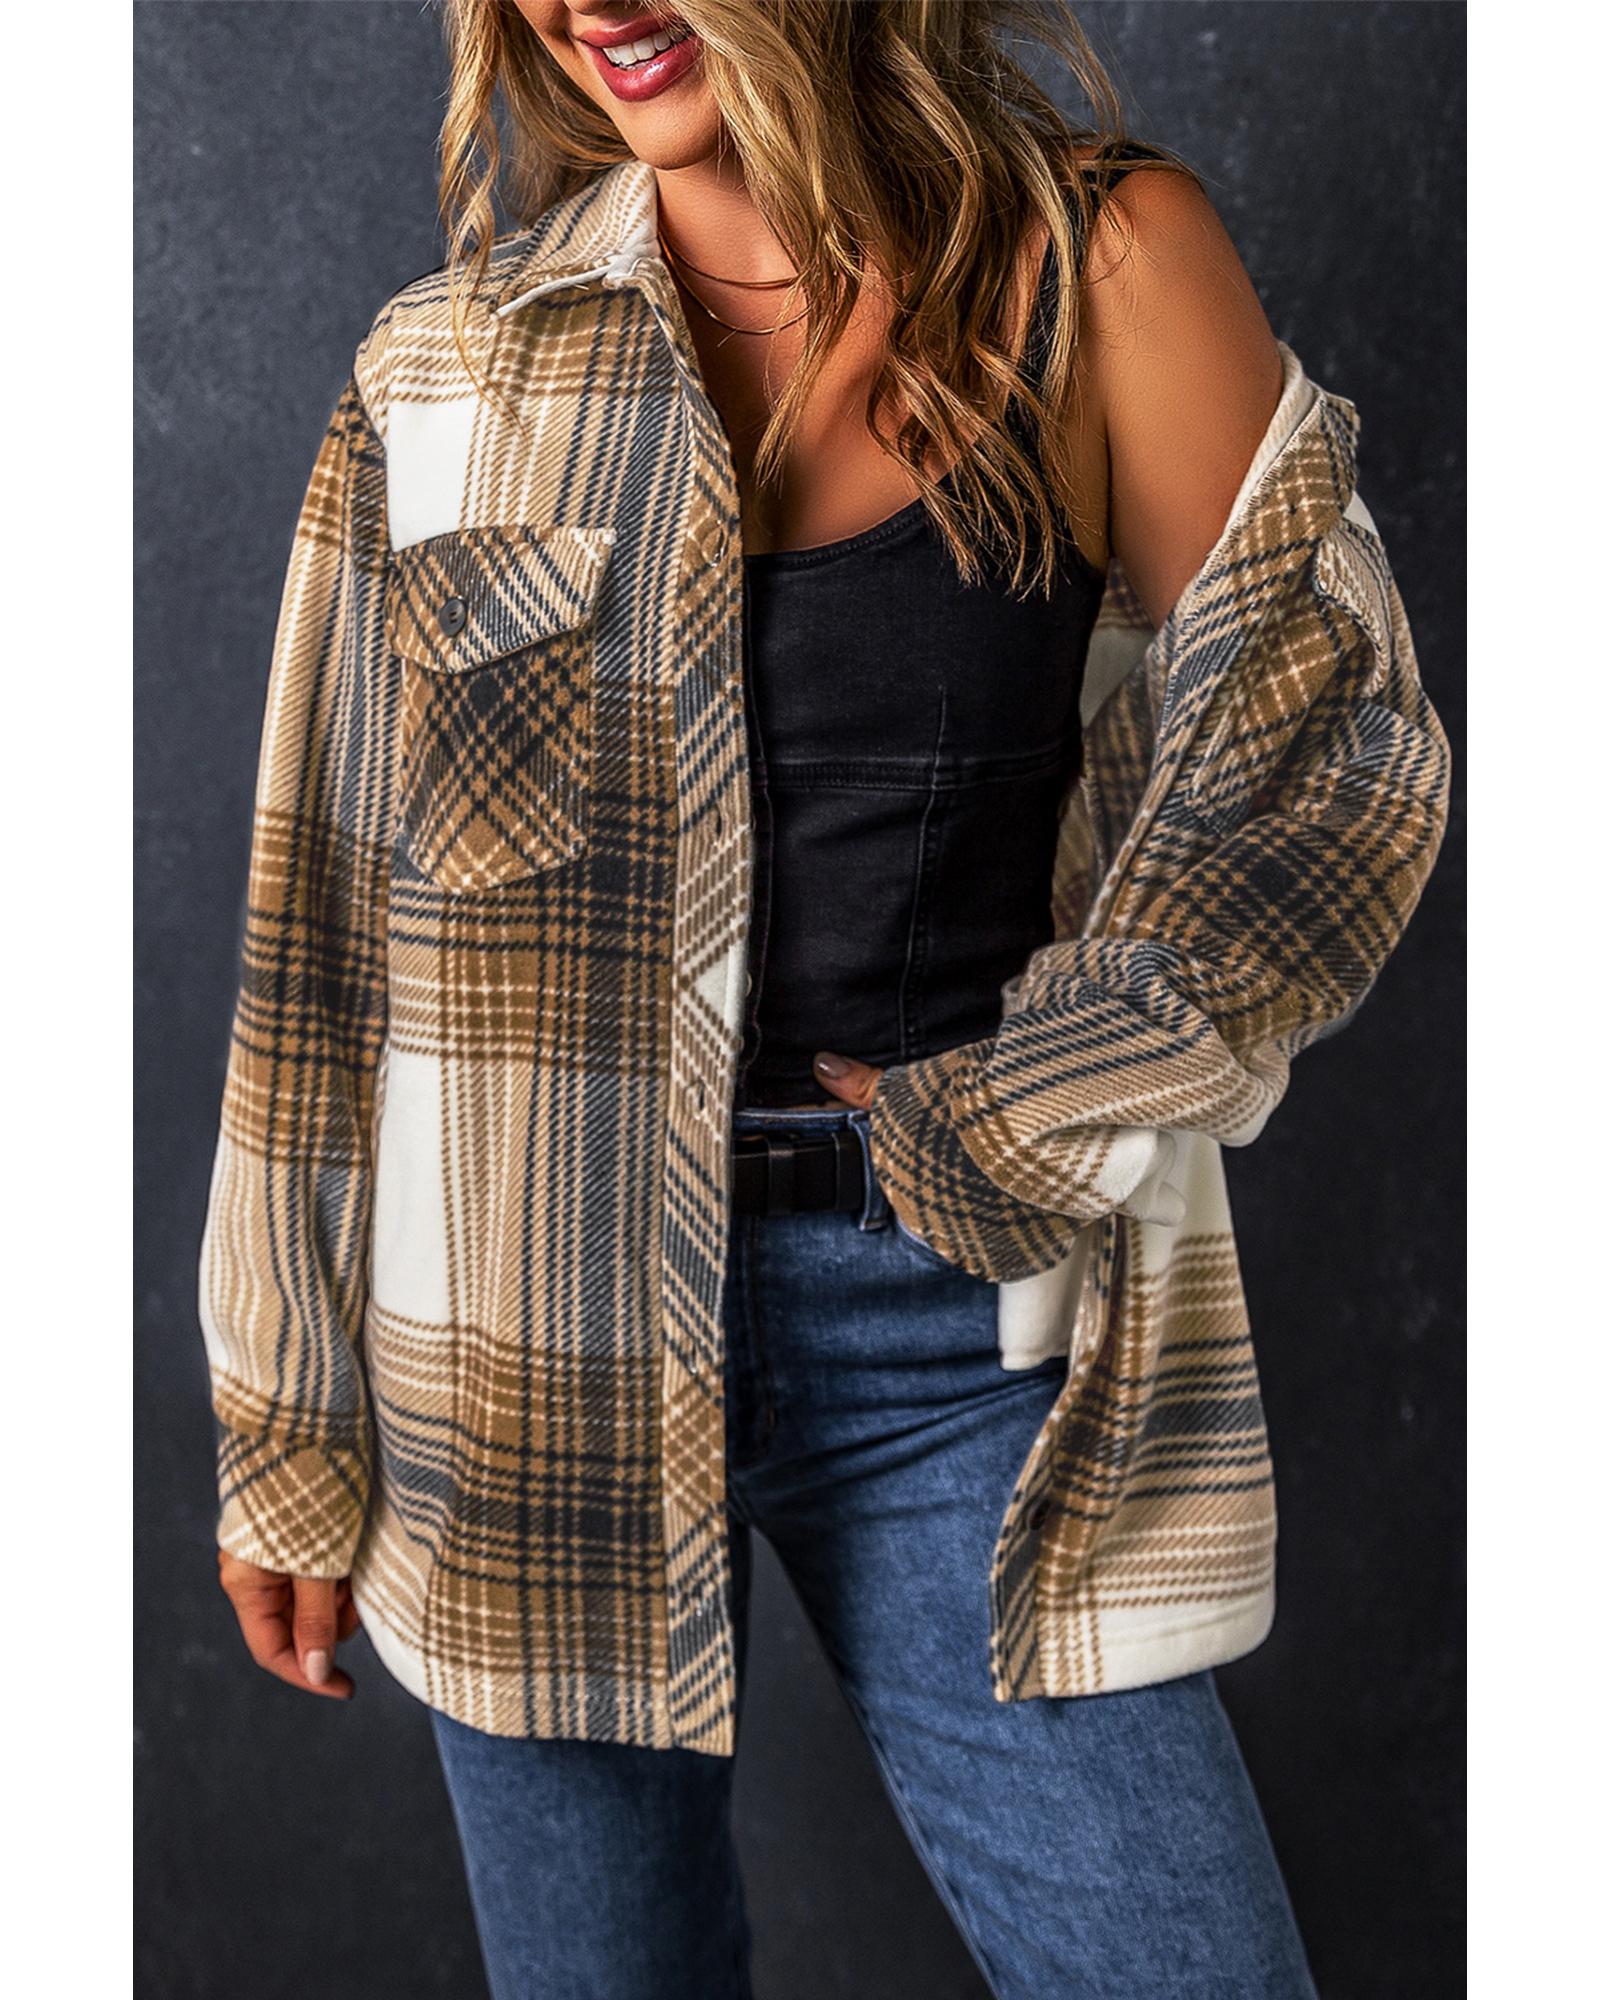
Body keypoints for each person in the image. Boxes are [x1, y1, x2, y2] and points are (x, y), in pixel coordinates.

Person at [196, 4, 1451, 1995]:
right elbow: (328, 926)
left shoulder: (1094, 266)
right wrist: (284, 1417)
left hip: (954, 1331)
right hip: (522, 1333)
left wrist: (1026, 1109)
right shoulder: (446, 368)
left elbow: (1320, 756)